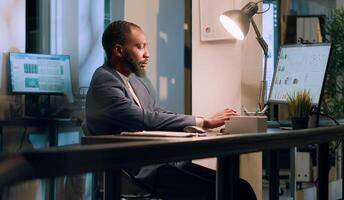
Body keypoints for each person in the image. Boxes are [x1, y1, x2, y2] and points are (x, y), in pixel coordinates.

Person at [86, 20, 257, 200]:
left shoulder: (135, 80)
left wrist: (199, 123)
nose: (147, 54)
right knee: (225, 193)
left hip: (159, 162)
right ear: (119, 50)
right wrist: (204, 122)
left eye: (146, 46)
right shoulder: (104, 81)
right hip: (135, 170)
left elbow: (157, 112)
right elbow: (144, 119)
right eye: (139, 47)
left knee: (240, 187)